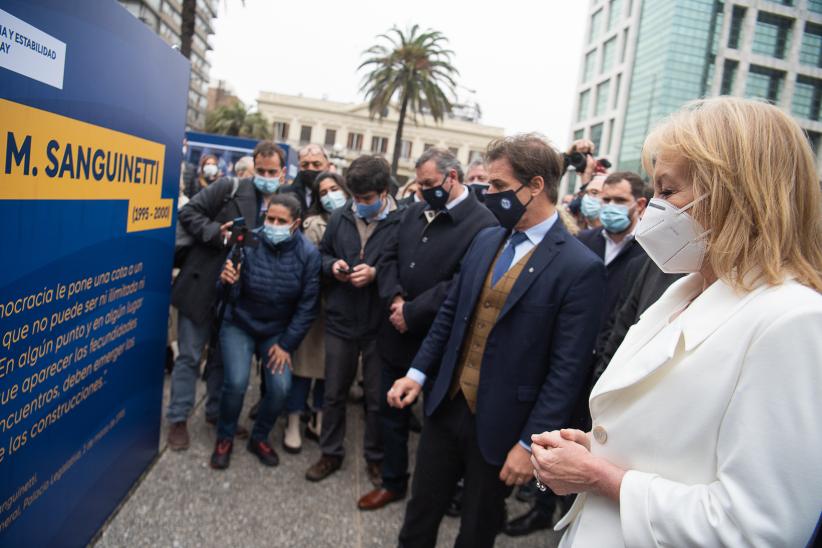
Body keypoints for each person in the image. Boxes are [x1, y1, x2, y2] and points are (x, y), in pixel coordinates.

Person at [533, 97, 822, 547]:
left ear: (734, 194)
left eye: (668, 192)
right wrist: (598, 448)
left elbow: (758, 530)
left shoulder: (792, 320)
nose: (652, 210)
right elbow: (680, 446)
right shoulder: (685, 291)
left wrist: (600, 477)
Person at [387, 134, 606, 548]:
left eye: (499, 187)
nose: (488, 195)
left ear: (536, 185)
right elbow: (451, 314)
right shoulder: (486, 238)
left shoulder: (580, 267)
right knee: (419, 515)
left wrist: (530, 444)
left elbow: (567, 370)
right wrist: (417, 373)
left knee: (478, 528)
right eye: (487, 185)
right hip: (445, 405)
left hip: (506, 425)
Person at [356, 149, 498, 511]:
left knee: (439, 427)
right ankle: (393, 481)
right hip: (395, 332)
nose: (421, 191)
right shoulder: (411, 212)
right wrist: (395, 300)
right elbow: (386, 258)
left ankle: (439, 492)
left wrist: (414, 311)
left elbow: (463, 281)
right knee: (391, 416)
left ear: (453, 178)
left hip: (441, 341)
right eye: (418, 184)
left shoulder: (483, 224)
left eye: (429, 184)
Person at [166, 140, 286, 450]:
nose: (266, 176)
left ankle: (215, 413)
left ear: (282, 173)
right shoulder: (229, 188)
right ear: (252, 168)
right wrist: (215, 232)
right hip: (202, 283)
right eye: (261, 170)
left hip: (239, 298)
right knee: (190, 356)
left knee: (220, 360)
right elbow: (189, 213)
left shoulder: (283, 203)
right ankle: (179, 418)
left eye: (272, 171)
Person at [304, 155, 401, 486]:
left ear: (384, 191)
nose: (359, 205)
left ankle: (375, 458)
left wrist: (376, 274)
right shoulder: (340, 216)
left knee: (376, 399)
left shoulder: (403, 221)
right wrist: (332, 267)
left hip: (379, 325)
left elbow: (406, 267)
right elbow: (322, 255)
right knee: (334, 393)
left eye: (367, 200)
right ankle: (330, 453)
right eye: (355, 198)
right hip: (341, 319)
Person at [210, 194, 320, 469]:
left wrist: (286, 344)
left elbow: (308, 306)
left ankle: (259, 437)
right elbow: (224, 292)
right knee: (235, 383)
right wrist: (227, 281)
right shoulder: (248, 241)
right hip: (240, 322)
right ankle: (224, 437)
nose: (272, 224)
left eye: (280, 221)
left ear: (295, 224)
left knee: (280, 388)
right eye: (269, 218)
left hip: (277, 331)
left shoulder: (308, 254)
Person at [283, 172, 350, 453]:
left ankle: (319, 418)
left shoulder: (355, 219)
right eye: (322, 192)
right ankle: (293, 420)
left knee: (329, 370)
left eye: (334, 188)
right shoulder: (313, 224)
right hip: (315, 307)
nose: (329, 195)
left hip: (345, 309)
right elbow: (308, 267)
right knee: (303, 368)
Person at [576, 171, 647, 324]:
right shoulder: (583, 241)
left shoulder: (649, 250)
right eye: (606, 200)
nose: (611, 206)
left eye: (620, 200)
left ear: (640, 205)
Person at [281, 144, 332, 215]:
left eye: (316, 164)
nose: (310, 168)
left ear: (327, 166)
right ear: (299, 167)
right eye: (305, 165)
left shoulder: (336, 195)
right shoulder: (284, 193)